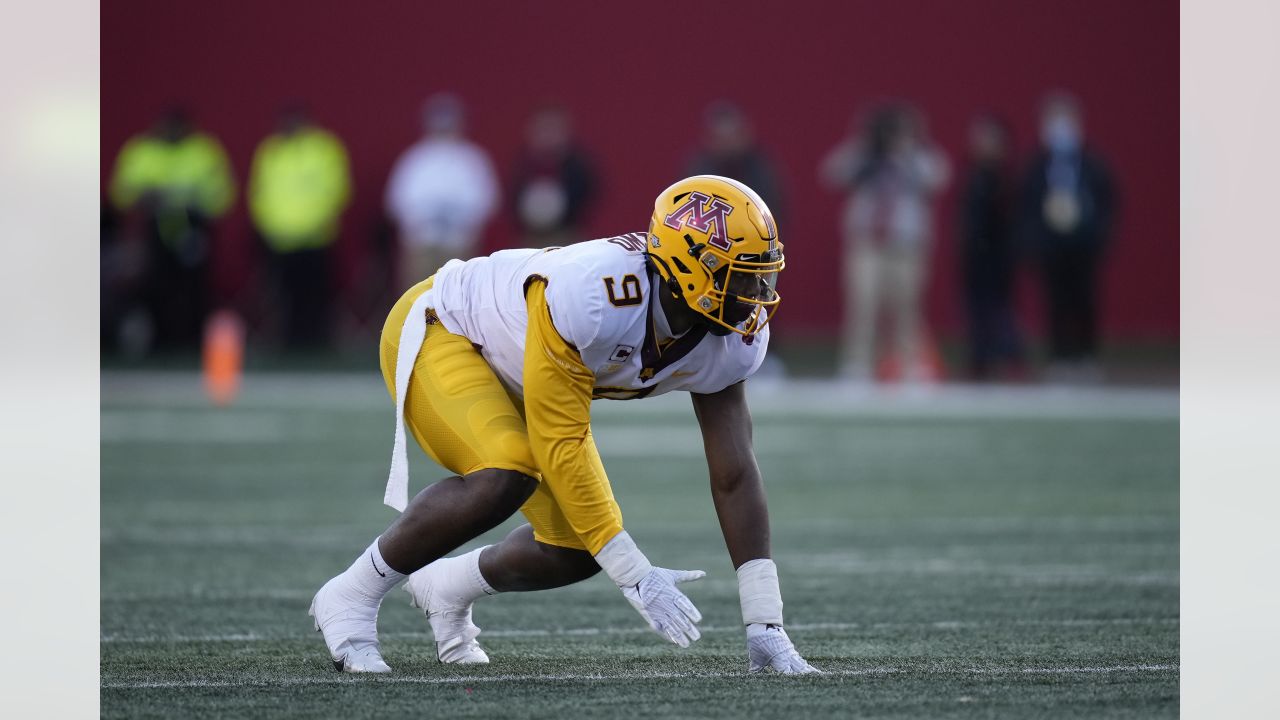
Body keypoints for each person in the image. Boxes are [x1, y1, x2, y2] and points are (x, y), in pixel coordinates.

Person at [310, 175, 819, 675]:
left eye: (760, 275)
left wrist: (764, 622)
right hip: (448, 328)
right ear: (692, 270)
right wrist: (634, 573)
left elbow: (735, 472)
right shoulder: (595, 294)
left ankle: (446, 588)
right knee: (509, 471)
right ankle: (351, 594)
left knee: (577, 549)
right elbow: (560, 440)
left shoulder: (731, 340)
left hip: (525, 374)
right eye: (742, 275)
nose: (757, 293)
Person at [821, 104, 949, 381]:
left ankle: (909, 363)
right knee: (863, 302)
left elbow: (938, 178)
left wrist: (905, 155)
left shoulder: (918, 157)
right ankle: (857, 363)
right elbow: (832, 173)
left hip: (906, 244)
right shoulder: (865, 155)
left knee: (907, 305)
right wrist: (867, 150)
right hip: (868, 241)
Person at [108, 106, 236, 351]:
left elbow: (222, 193)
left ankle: (193, 341)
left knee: (194, 287)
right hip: (155, 225)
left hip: (192, 225)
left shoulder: (203, 151)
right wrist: (145, 196)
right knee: (156, 283)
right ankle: (159, 340)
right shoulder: (142, 151)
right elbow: (121, 193)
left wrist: (192, 198)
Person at [1018, 92, 1116, 381]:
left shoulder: (1092, 163)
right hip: (1052, 244)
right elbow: (1027, 205)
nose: (1059, 128)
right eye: (1053, 120)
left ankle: (1086, 356)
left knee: (1085, 301)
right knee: (1055, 302)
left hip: (1084, 243)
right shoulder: (1037, 165)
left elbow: (1108, 201)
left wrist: (1099, 233)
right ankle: (1060, 357)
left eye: (1065, 120)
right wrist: (1032, 240)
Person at [248, 104, 352, 349]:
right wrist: (268, 226)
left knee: (316, 294)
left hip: (316, 238)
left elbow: (337, 188)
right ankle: (285, 342)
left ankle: (318, 341)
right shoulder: (270, 151)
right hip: (280, 240)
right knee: (283, 296)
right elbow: (259, 192)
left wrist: (319, 221)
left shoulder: (324, 148)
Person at [385, 93, 500, 291]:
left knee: (460, 295)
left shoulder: (472, 159)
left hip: (459, 243)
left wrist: (462, 223)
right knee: (418, 296)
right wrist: (420, 222)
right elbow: (397, 201)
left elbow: (487, 199)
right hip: (422, 242)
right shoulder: (415, 158)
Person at [957, 113, 1024, 380]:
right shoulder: (973, 174)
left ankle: (1010, 358)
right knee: (976, 308)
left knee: (1000, 308)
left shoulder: (1007, 177)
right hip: (974, 253)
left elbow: (1011, 218)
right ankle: (981, 358)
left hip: (998, 253)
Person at [510, 103, 598, 248]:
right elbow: (512, 197)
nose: (548, 136)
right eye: (543, 129)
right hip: (531, 238)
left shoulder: (577, 165)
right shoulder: (524, 165)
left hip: (567, 236)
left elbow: (589, 194)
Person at [686, 101, 784, 219]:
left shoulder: (762, 170)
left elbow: (773, 214)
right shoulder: (697, 172)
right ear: (709, 139)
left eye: (732, 136)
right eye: (721, 138)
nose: (727, 143)